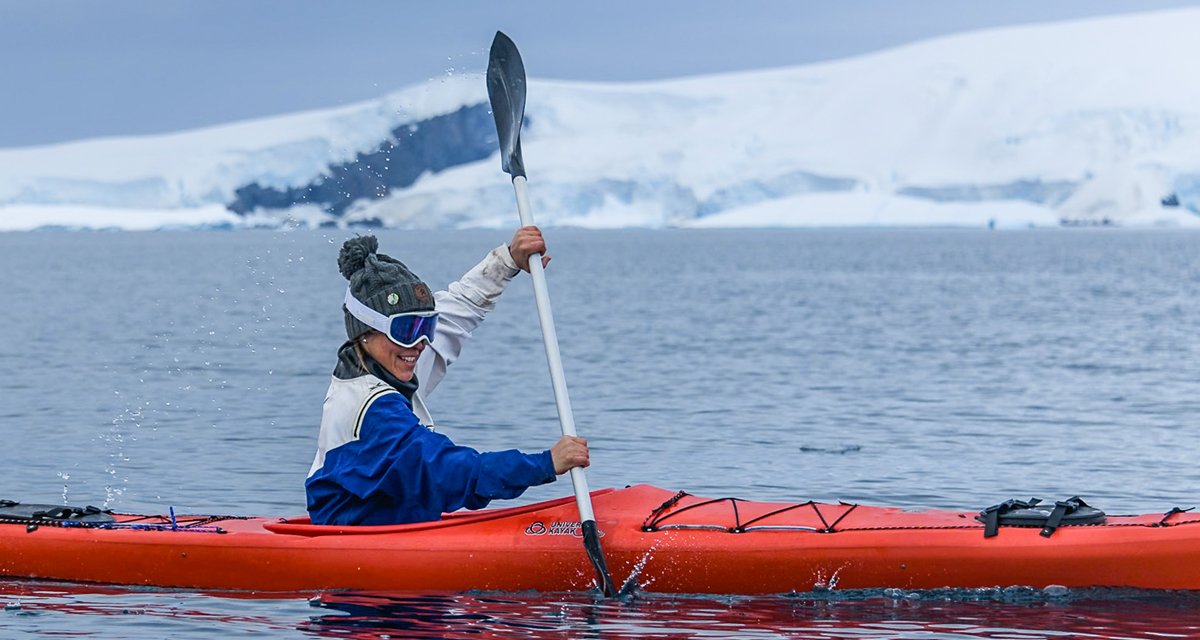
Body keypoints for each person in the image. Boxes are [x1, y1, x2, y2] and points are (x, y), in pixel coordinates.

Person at [305, 228, 590, 526]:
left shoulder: (390, 359)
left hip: (398, 525)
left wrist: (507, 262)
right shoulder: (373, 409)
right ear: (365, 331)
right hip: (354, 537)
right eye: (406, 330)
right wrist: (543, 464)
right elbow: (445, 471)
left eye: (425, 327)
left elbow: (462, 306)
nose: (419, 344)